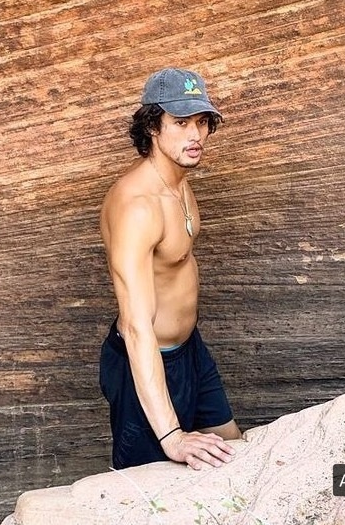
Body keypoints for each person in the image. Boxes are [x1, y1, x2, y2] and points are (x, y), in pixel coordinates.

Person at [99, 67, 241, 471]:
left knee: (233, 453)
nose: (195, 135)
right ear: (152, 127)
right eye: (180, 123)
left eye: (202, 122)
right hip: (147, 360)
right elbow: (135, 327)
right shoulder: (139, 207)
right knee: (148, 486)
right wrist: (172, 436)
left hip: (190, 350)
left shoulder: (177, 181)